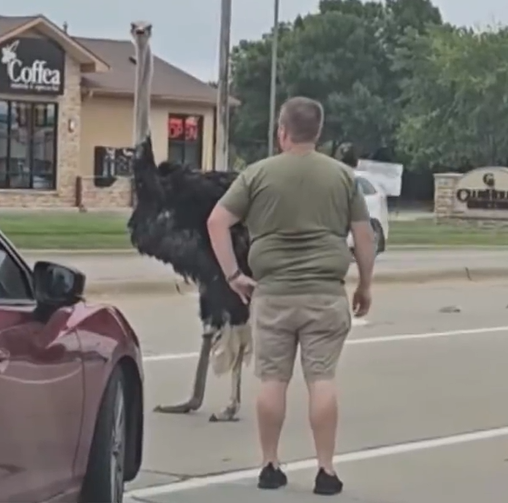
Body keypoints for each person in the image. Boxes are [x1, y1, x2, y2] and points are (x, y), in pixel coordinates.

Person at [207, 96, 375, 495]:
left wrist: (234, 274)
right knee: (321, 380)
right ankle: (326, 470)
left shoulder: (256, 174)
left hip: (272, 295)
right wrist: (365, 285)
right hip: (325, 294)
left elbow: (217, 221)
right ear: (317, 132)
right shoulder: (341, 177)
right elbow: (364, 236)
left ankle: (269, 464)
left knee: (272, 379)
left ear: (282, 131)